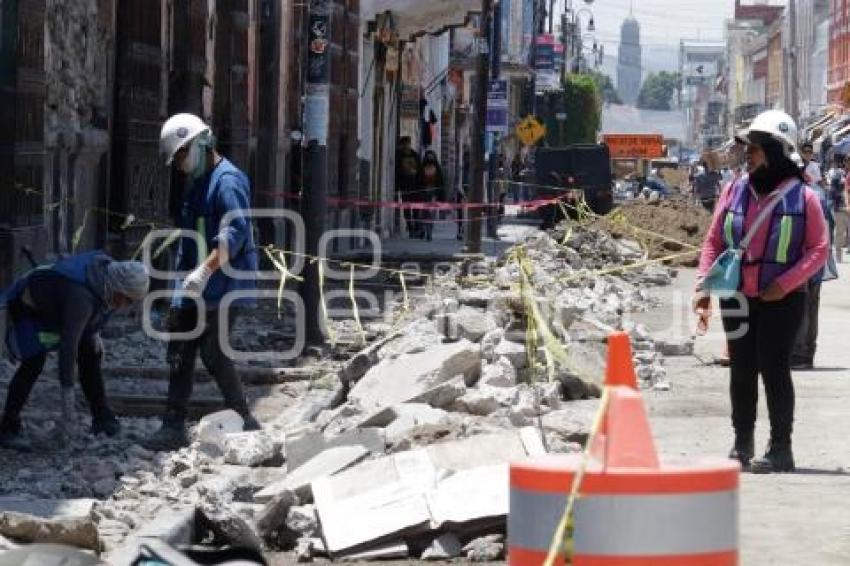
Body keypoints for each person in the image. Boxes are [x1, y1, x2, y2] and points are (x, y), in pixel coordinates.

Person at [694, 110, 829, 474]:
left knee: (774, 368)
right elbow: (714, 239)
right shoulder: (734, 189)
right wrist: (703, 284)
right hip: (736, 296)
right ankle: (742, 443)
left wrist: (783, 285)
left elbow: (819, 250)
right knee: (741, 368)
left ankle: (781, 448)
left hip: (783, 301)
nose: (747, 155)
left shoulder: (805, 198)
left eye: (754, 149)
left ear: (774, 150)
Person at [144, 113, 261, 451]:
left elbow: (235, 233)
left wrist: (205, 270)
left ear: (200, 143)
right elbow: (189, 237)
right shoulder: (198, 183)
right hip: (196, 283)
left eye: (181, 154)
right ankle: (173, 424)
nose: (179, 163)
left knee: (212, 351)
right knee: (180, 347)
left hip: (224, 284)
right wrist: (181, 288)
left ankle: (245, 418)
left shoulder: (228, 181)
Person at [0, 252, 150, 449]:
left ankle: (102, 418)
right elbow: (68, 347)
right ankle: (7, 427)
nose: (126, 306)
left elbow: (97, 312)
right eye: (127, 300)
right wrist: (67, 395)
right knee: (34, 361)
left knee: (90, 353)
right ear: (118, 288)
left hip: (61, 304)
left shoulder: (109, 276)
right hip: (29, 303)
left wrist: (94, 331)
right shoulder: (81, 297)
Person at [395, 137, 421, 238]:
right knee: (406, 208)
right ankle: (410, 227)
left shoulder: (415, 155)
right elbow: (396, 171)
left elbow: (419, 170)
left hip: (415, 187)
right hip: (404, 186)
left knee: (415, 209)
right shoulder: (399, 155)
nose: (407, 146)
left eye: (408, 144)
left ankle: (416, 227)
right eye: (405, 144)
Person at [417, 150, 446, 242]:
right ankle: (422, 230)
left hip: (433, 194)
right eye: (428, 157)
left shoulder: (437, 169)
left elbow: (441, 183)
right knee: (422, 214)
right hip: (423, 194)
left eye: (431, 157)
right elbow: (418, 181)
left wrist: (439, 196)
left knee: (430, 214)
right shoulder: (422, 169)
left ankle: (429, 233)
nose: (430, 159)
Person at [827, 157, 848, 262]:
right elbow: (833, 194)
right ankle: (839, 257)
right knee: (840, 232)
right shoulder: (837, 178)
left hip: (845, 208)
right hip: (840, 209)